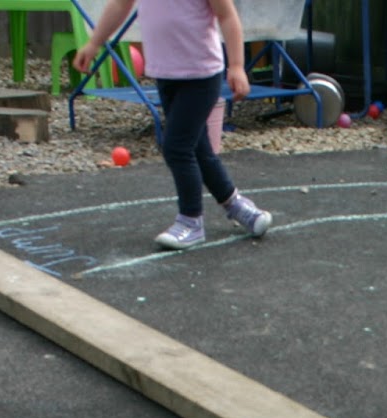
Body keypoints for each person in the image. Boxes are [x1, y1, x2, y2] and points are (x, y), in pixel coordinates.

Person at [74, 0, 271, 251]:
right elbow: (120, 5)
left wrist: (236, 66)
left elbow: (227, 16)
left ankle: (191, 220)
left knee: (177, 147)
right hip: (167, 76)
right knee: (199, 149)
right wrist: (94, 43)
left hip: (201, 77)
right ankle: (237, 206)